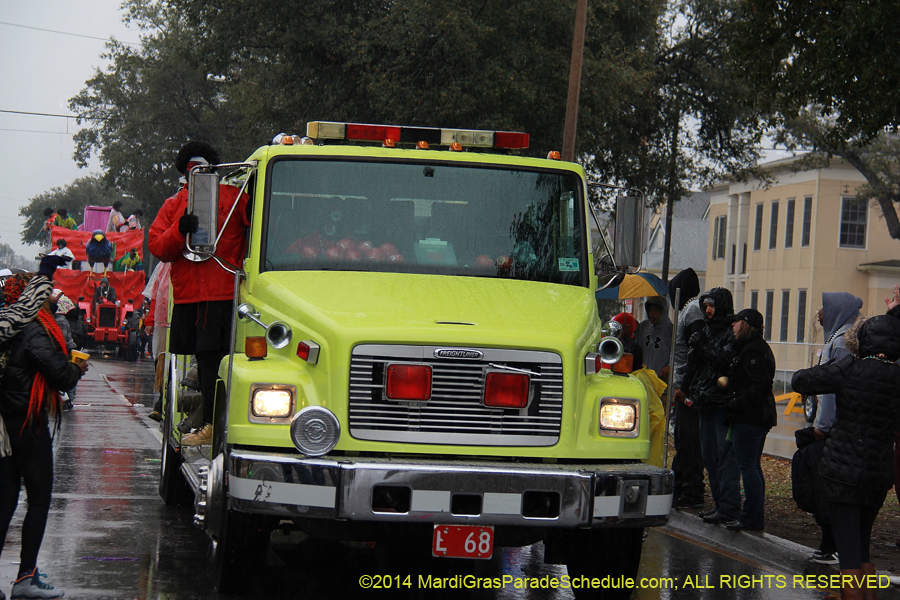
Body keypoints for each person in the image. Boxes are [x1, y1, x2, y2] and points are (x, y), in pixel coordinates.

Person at [148, 141, 251, 445]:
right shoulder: (172, 206)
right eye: (191, 168)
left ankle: (212, 424)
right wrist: (179, 230)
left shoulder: (235, 198)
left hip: (222, 293)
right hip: (191, 296)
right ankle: (208, 422)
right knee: (204, 361)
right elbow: (158, 248)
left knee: (215, 361)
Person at [792, 315, 900, 600]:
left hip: (842, 470)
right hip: (878, 473)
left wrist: (830, 362)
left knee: (849, 548)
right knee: (863, 542)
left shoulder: (851, 367)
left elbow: (801, 381)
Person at [0, 272, 88, 600]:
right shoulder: (34, 329)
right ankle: (26, 577)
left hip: (5, 424)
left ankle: (25, 575)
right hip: (28, 422)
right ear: (33, 296)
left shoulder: (8, 323)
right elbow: (62, 375)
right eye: (46, 292)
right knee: (38, 497)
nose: (52, 297)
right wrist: (76, 368)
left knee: (6, 499)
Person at [687, 288, 741, 526]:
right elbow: (697, 364)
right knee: (709, 456)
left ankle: (729, 507)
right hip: (705, 402)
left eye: (712, 306)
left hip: (721, 404)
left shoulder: (732, 331)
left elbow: (722, 361)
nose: (708, 310)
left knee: (723, 456)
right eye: (705, 305)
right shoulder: (707, 330)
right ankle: (720, 504)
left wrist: (701, 347)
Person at [721, 308, 777, 531]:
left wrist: (736, 403)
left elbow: (760, 384)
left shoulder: (752, 351)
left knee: (748, 467)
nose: (732, 326)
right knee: (752, 466)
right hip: (754, 416)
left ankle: (751, 517)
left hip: (751, 417)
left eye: (736, 323)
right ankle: (753, 516)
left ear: (745, 325)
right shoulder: (752, 348)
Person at [668, 268, 706, 510]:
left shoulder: (692, 310)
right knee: (682, 440)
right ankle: (680, 485)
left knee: (689, 441)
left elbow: (696, 352)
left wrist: (685, 387)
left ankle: (692, 490)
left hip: (688, 388)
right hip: (681, 385)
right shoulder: (687, 311)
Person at [50, 290, 78, 410]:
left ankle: (68, 399)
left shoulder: (60, 320)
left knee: (67, 374)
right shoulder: (56, 318)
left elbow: (62, 338)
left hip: (65, 350)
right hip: (63, 350)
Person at [635, 295, 672, 381]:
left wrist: (670, 366)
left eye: (656, 310)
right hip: (644, 379)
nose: (652, 313)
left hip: (662, 381)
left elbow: (679, 355)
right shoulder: (643, 327)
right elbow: (635, 349)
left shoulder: (672, 330)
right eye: (650, 309)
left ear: (664, 311)